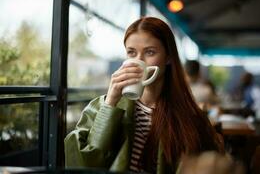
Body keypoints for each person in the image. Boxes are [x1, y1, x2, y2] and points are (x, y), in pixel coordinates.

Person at [64, 17, 223, 173]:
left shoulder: (190, 118)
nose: (139, 61)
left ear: (168, 58)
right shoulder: (102, 107)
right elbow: (84, 165)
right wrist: (111, 102)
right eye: (131, 53)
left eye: (150, 52)